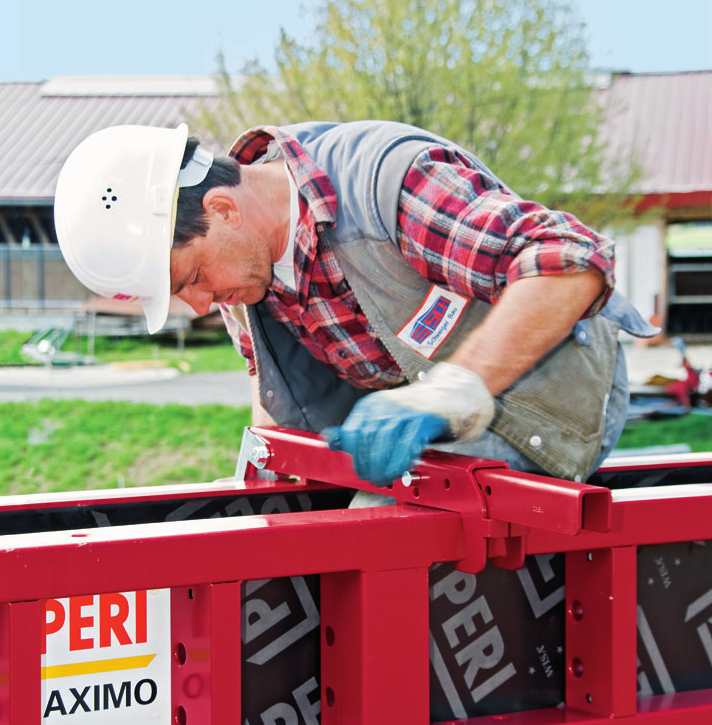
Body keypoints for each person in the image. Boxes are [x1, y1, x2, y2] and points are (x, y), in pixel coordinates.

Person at [54, 119, 656, 487]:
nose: (200, 304)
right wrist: (259, 491)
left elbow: (570, 260)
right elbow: (276, 403)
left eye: (190, 278)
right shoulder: (242, 266)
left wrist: (448, 393)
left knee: (375, 534)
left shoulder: (387, 183)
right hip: (432, 433)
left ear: (222, 210)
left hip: (549, 401)